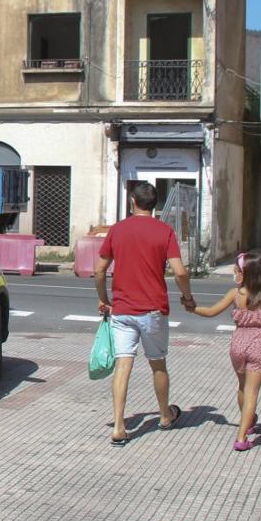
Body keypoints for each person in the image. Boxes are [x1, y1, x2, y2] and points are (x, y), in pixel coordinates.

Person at [93, 182, 196, 446]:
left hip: (123, 309)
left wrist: (104, 299)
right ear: (155, 204)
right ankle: (164, 415)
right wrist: (187, 296)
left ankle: (118, 426)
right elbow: (180, 272)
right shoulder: (164, 231)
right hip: (153, 310)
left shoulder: (117, 230)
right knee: (157, 363)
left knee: (123, 364)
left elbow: (99, 270)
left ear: (132, 201)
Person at [189, 252, 261, 451]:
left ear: (246, 273)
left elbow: (210, 312)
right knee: (252, 391)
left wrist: (192, 308)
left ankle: (248, 421)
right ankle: (242, 437)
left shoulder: (235, 294)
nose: (234, 274)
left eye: (237, 271)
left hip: (238, 343)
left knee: (242, 386)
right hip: (258, 343)